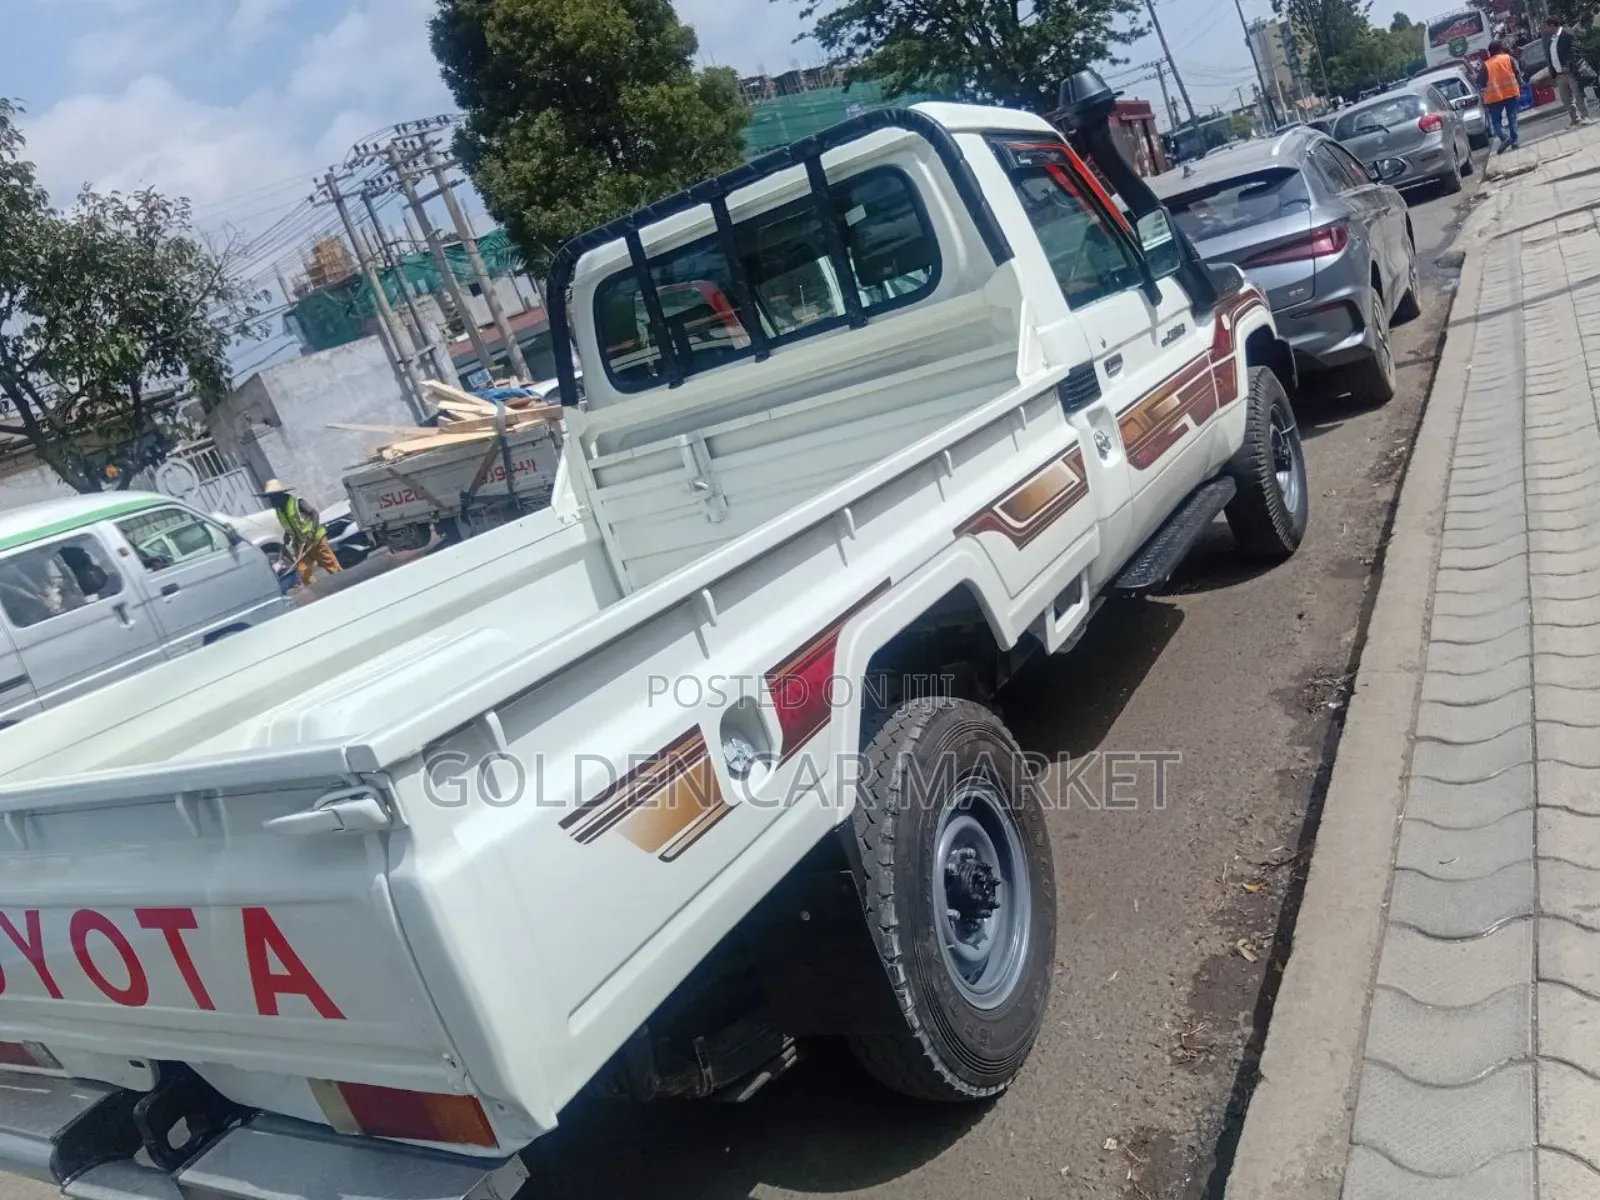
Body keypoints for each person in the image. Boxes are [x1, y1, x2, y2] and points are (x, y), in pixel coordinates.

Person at [259, 479, 341, 586]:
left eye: (272, 497)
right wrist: (287, 535)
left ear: (279, 495)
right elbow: (291, 524)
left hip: (315, 539)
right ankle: (317, 591)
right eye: (269, 498)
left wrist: (312, 531)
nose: (271, 501)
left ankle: (344, 584)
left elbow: (314, 514)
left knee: (331, 566)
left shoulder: (296, 502)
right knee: (303, 572)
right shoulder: (279, 510)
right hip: (300, 543)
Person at [1542, 17, 1591, 125]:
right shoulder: (1552, 38)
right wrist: (1553, 74)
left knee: (1578, 94)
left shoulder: (1566, 33)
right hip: (1559, 74)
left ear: (1552, 25)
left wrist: (1568, 64)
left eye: (1545, 26)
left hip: (1570, 71)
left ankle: (1585, 116)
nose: (1544, 29)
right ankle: (1575, 119)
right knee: (1566, 99)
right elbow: (1551, 56)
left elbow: (1574, 50)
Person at [1483, 40, 1524, 152]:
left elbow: (1481, 81)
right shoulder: (1509, 59)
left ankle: (1505, 137)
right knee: (1512, 117)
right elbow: (1517, 72)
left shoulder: (1486, 65)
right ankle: (1514, 141)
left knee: (1496, 121)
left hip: (1494, 97)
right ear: (1500, 49)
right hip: (1511, 92)